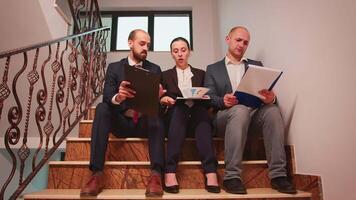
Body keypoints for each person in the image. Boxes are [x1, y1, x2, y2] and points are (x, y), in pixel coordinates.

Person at [204, 26, 297, 194]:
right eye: (238, 40)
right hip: (226, 117)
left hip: (252, 115)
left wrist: (271, 98)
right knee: (239, 110)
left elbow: (265, 92)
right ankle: (232, 177)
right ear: (228, 39)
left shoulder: (257, 65)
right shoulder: (213, 68)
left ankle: (278, 176)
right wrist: (222, 100)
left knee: (272, 111)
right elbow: (208, 96)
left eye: (245, 42)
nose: (241, 45)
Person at [80, 29, 165, 197]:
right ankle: (96, 173)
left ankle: (156, 174)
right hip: (121, 122)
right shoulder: (114, 68)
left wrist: (158, 98)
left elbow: (158, 103)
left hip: (143, 123)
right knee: (102, 108)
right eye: (142, 44)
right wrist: (118, 96)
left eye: (148, 45)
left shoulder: (155, 69)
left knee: (156, 112)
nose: (145, 48)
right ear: (130, 43)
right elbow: (106, 97)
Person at [160, 37, 220, 194]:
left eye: (183, 50)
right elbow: (161, 97)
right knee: (180, 109)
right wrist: (163, 99)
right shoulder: (165, 75)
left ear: (189, 52)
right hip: (175, 119)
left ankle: (211, 171)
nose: (180, 54)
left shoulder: (201, 74)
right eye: (176, 51)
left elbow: (209, 99)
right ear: (171, 54)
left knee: (200, 112)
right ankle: (170, 171)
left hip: (197, 118)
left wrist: (207, 98)